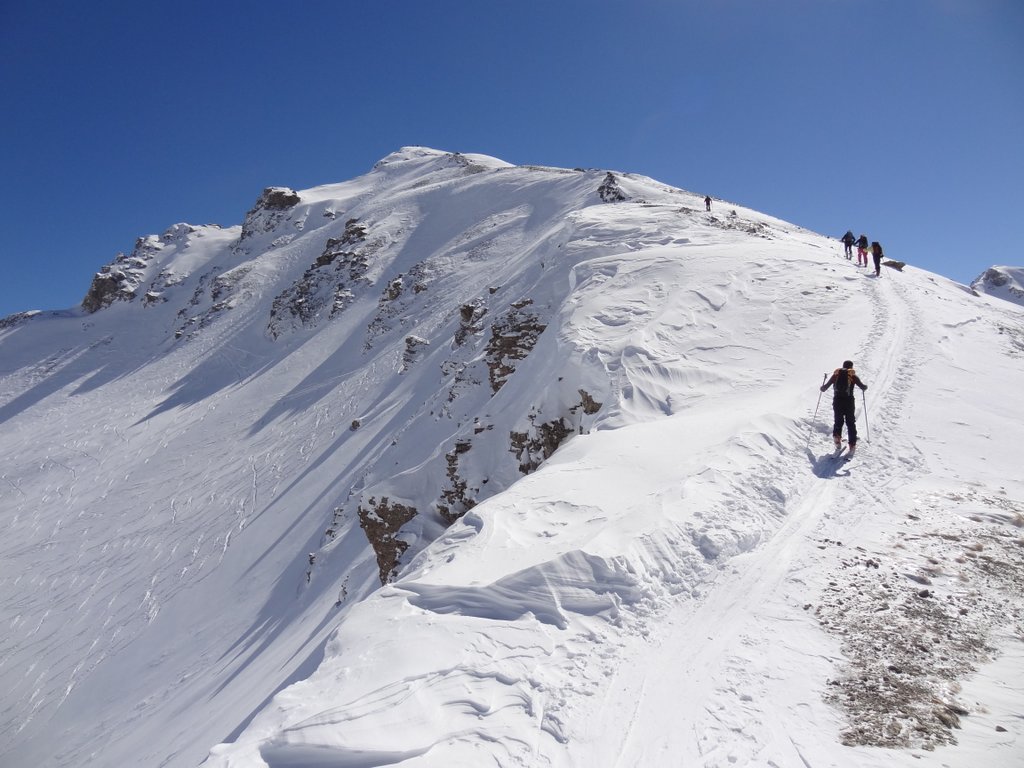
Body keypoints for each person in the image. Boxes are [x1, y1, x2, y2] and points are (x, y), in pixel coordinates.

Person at [820, 360, 868, 456]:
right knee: (850, 422)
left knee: (838, 420)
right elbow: (863, 387)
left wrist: (823, 384)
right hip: (849, 402)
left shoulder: (836, 375)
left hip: (837, 401)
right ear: (851, 367)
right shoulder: (852, 376)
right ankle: (852, 444)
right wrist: (865, 387)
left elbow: (824, 388)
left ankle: (837, 437)